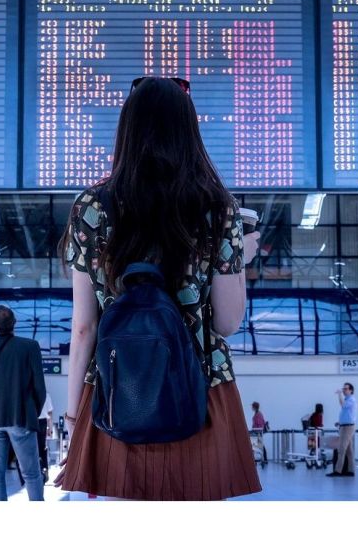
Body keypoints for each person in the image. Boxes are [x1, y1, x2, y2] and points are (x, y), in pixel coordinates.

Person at [53, 77, 263, 501]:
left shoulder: (92, 207)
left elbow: (83, 328)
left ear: (126, 130)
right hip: (201, 391)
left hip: (116, 389)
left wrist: (74, 416)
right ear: (189, 131)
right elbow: (228, 322)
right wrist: (239, 260)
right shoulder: (217, 208)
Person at [0, 305, 47, 501]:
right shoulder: (30, 347)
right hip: (21, 417)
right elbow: (39, 387)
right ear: (14, 323)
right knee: (31, 473)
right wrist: (32, 411)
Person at [327, 382, 357, 477]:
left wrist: (339, 394)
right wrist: (340, 422)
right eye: (343, 389)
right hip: (344, 426)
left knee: (341, 449)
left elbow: (343, 405)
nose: (344, 390)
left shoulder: (351, 399)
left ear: (351, 390)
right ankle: (351, 470)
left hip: (348, 427)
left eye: (346, 389)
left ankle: (338, 471)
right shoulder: (347, 400)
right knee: (349, 450)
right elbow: (347, 415)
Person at [37, 392, 54, 481]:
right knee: (42, 448)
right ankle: (44, 470)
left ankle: (38, 471)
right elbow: (50, 413)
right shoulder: (46, 395)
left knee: (34, 448)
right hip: (42, 423)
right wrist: (50, 429)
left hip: (32, 422)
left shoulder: (27, 392)